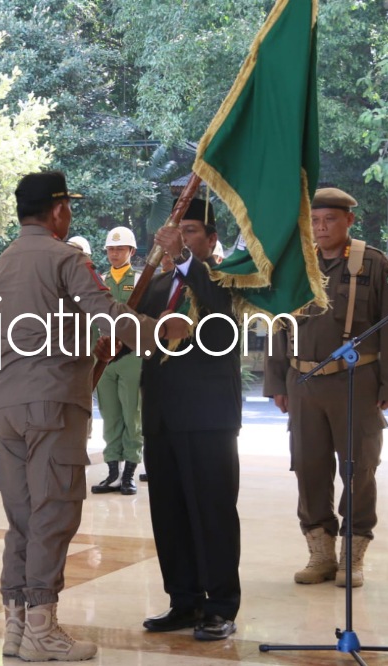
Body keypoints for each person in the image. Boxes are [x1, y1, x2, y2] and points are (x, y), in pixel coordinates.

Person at [0, 170, 190, 661]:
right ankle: (41, 630)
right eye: (68, 206)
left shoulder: (0, 263)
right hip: (51, 405)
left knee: (22, 518)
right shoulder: (65, 257)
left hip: (6, 406)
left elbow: (18, 334)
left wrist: (83, 350)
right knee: (53, 513)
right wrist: (159, 331)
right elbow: (104, 311)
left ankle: (16, 627)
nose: (70, 214)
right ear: (57, 210)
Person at [263, 187, 388, 588]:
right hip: (302, 383)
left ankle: (353, 555)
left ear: (349, 220)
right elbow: (279, 325)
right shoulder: (295, 265)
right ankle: (321, 553)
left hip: (356, 382)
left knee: (359, 468)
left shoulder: (374, 265)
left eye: (330, 219)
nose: (321, 227)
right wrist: (276, 381)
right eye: (314, 220)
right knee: (308, 467)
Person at [137, 199, 242, 641]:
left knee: (212, 512)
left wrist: (181, 257)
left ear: (212, 239)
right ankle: (184, 600)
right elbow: (139, 334)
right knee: (170, 514)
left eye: (192, 231)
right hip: (161, 415)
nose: (181, 238)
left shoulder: (226, 279)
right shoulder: (158, 285)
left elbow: (217, 313)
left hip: (207, 418)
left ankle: (220, 605)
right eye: (177, 231)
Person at [92, 226, 144, 496]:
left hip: (131, 357)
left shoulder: (141, 281)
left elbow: (145, 321)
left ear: (131, 251)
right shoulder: (99, 281)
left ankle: (129, 474)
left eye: (120, 249)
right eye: (111, 249)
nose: (114, 253)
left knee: (131, 415)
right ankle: (113, 472)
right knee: (110, 415)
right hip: (105, 359)